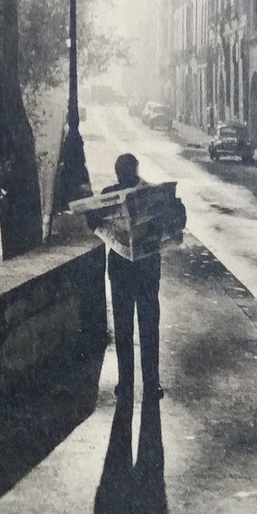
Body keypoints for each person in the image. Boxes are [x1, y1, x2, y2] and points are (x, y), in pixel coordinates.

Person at [103, 152, 163, 401]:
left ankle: (126, 383)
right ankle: (150, 383)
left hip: (124, 270)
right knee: (147, 327)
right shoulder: (112, 195)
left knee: (124, 328)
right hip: (144, 270)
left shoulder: (151, 194)